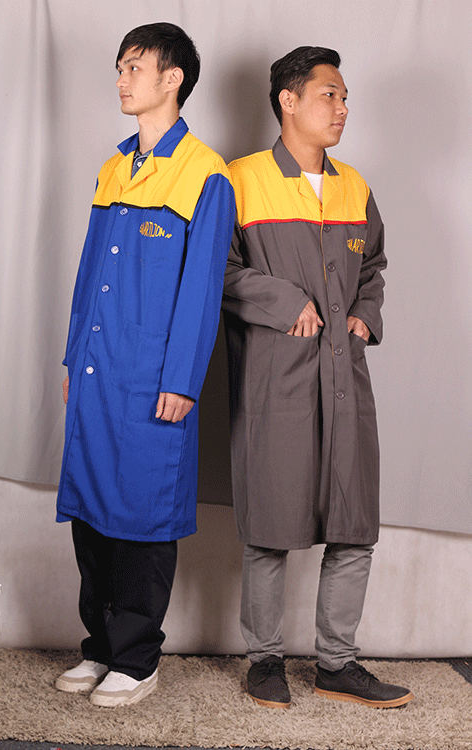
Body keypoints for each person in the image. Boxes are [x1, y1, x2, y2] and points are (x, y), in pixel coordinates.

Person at [223, 46, 413, 709]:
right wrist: (283, 302)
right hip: (275, 383)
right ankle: (265, 661)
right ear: (289, 100)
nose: (342, 108)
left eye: (345, 97)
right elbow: (217, 269)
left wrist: (366, 314)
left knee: (354, 525)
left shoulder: (355, 186)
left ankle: (337, 663)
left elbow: (374, 265)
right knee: (271, 526)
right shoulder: (241, 180)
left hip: (345, 381)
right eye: (330, 94)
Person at [54, 22, 235, 708]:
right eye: (120, 67)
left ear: (173, 78)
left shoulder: (206, 173)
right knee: (92, 511)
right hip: (97, 369)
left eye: (135, 66)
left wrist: (182, 381)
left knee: (142, 514)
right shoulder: (114, 167)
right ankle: (100, 648)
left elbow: (202, 291)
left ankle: (137, 659)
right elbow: (88, 275)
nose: (122, 79)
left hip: (153, 377)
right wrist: (73, 356)